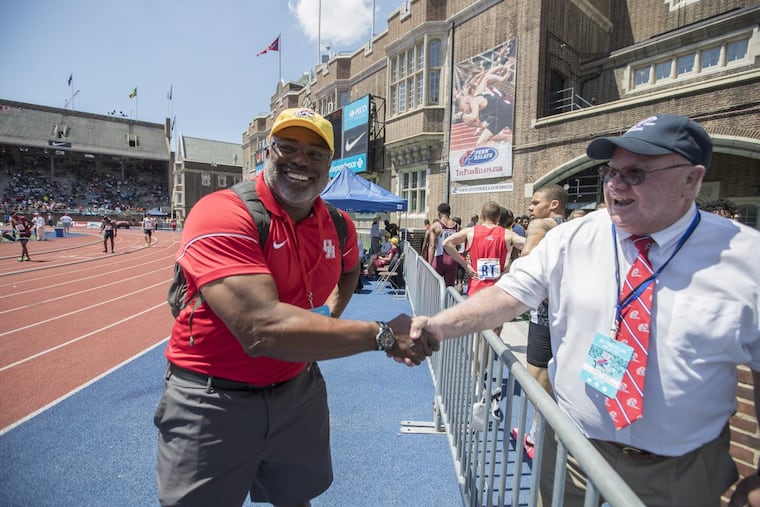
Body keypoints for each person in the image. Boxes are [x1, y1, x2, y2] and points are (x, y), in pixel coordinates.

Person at [410, 115, 760, 506]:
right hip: (572, 451)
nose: (614, 184)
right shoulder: (571, 238)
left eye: (636, 173)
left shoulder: (747, 258)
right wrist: (437, 325)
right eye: (610, 171)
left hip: (682, 470)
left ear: (691, 180)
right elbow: (509, 295)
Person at [154, 107, 437, 507]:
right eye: (288, 147)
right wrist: (384, 335)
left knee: (296, 500)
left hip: (296, 391)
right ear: (267, 153)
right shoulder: (222, 211)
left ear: (329, 165)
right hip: (213, 399)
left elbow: (350, 271)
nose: (300, 161)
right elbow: (261, 329)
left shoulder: (337, 224)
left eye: (315, 153)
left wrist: (325, 320)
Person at [443, 201, 525, 319]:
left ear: (481, 216)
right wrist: (510, 269)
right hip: (498, 288)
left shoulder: (470, 232)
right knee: (495, 328)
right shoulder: (508, 235)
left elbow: (447, 243)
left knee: (476, 327)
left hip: (476, 287)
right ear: (498, 217)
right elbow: (529, 246)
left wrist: (466, 265)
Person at [426, 202, 460, 287]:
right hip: (452, 260)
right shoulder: (457, 227)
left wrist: (429, 265)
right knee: (449, 289)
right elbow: (458, 245)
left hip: (439, 260)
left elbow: (432, 246)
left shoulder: (435, 226)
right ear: (449, 213)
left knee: (434, 288)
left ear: (439, 213)